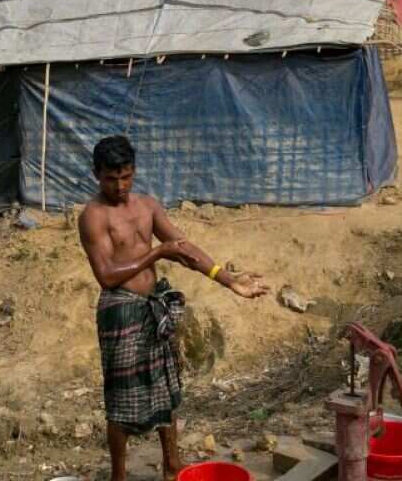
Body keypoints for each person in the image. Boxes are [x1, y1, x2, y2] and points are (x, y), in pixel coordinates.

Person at [79, 136, 269, 481]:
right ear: (96, 174)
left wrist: (228, 279)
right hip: (120, 310)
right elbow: (106, 275)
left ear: (134, 172)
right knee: (123, 397)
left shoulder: (148, 206)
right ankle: (118, 476)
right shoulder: (93, 216)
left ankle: (171, 465)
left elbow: (182, 247)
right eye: (111, 178)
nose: (120, 186)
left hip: (154, 308)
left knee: (166, 386)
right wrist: (156, 252)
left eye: (126, 177)